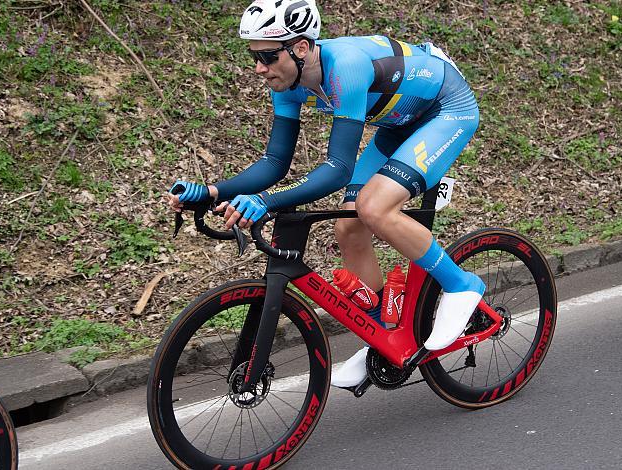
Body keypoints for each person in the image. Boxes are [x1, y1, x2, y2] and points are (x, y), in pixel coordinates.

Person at [166, 0, 485, 389]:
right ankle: (389, 330)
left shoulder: (345, 67)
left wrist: (265, 202)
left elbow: (338, 169)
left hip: (445, 110)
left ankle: (461, 285)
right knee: (349, 228)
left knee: (374, 208)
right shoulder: (287, 82)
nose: (258, 68)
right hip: (398, 124)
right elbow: (274, 162)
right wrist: (212, 191)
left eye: (267, 56)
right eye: (254, 57)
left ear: (301, 47)